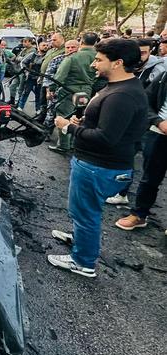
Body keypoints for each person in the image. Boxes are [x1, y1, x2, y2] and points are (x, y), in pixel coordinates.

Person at [47, 39, 148, 278]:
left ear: (118, 63)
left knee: (86, 213)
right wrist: (84, 123)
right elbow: (109, 125)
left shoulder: (122, 95)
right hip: (97, 164)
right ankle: (81, 239)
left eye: (99, 59)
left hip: (99, 166)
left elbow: (106, 138)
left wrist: (67, 128)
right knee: (84, 211)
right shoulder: (117, 87)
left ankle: (83, 261)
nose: (93, 64)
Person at [114, 69, 167, 230]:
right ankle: (139, 215)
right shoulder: (164, 76)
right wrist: (158, 121)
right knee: (150, 177)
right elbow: (146, 100)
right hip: (160, 134)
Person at [48, 33, 98, 153]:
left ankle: (63, 145)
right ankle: (72, 144)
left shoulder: (73, 57)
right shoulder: (99, 57)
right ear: (95, 42)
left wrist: (52, 89)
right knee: (78, 117)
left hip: (69, 92)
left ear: (81, 42)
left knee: (63, 116)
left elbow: (59, 76)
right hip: (86, 91)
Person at [43, 39, 79, 129]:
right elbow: (48, 76)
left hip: (73, 93)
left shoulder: (82, 61)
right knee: (50, 114)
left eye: (73, 47)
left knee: (71, 117)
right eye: (68, 47)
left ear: (78, 48)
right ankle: (46, 132)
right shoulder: (58, 59)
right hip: (56, 92)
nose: (70, 49)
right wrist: (48, 91)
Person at [18, 41, 48, 112]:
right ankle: (20, 107)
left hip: (40, 78)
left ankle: (38, 109)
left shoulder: (47, 57)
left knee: (38, 94)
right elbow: (23, 62)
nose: (46, 47)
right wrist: (26, 71)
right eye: (43, 45)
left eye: (47, 45)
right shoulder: (32, 55)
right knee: (25, 92)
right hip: (30, 77)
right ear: (38, 47)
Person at [8, 37, 35, 105]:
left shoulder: (33, 50)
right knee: (12, 86)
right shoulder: (24, 50)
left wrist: (20, 58)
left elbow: (25, 60)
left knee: (21, 88)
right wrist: (19, 58)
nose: (23, 43)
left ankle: (19, 103)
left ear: (30, 42)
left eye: (25, 41)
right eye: (23, 41)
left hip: (24, 71)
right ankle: (12, 100)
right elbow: (17, 58)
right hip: (18, 71)